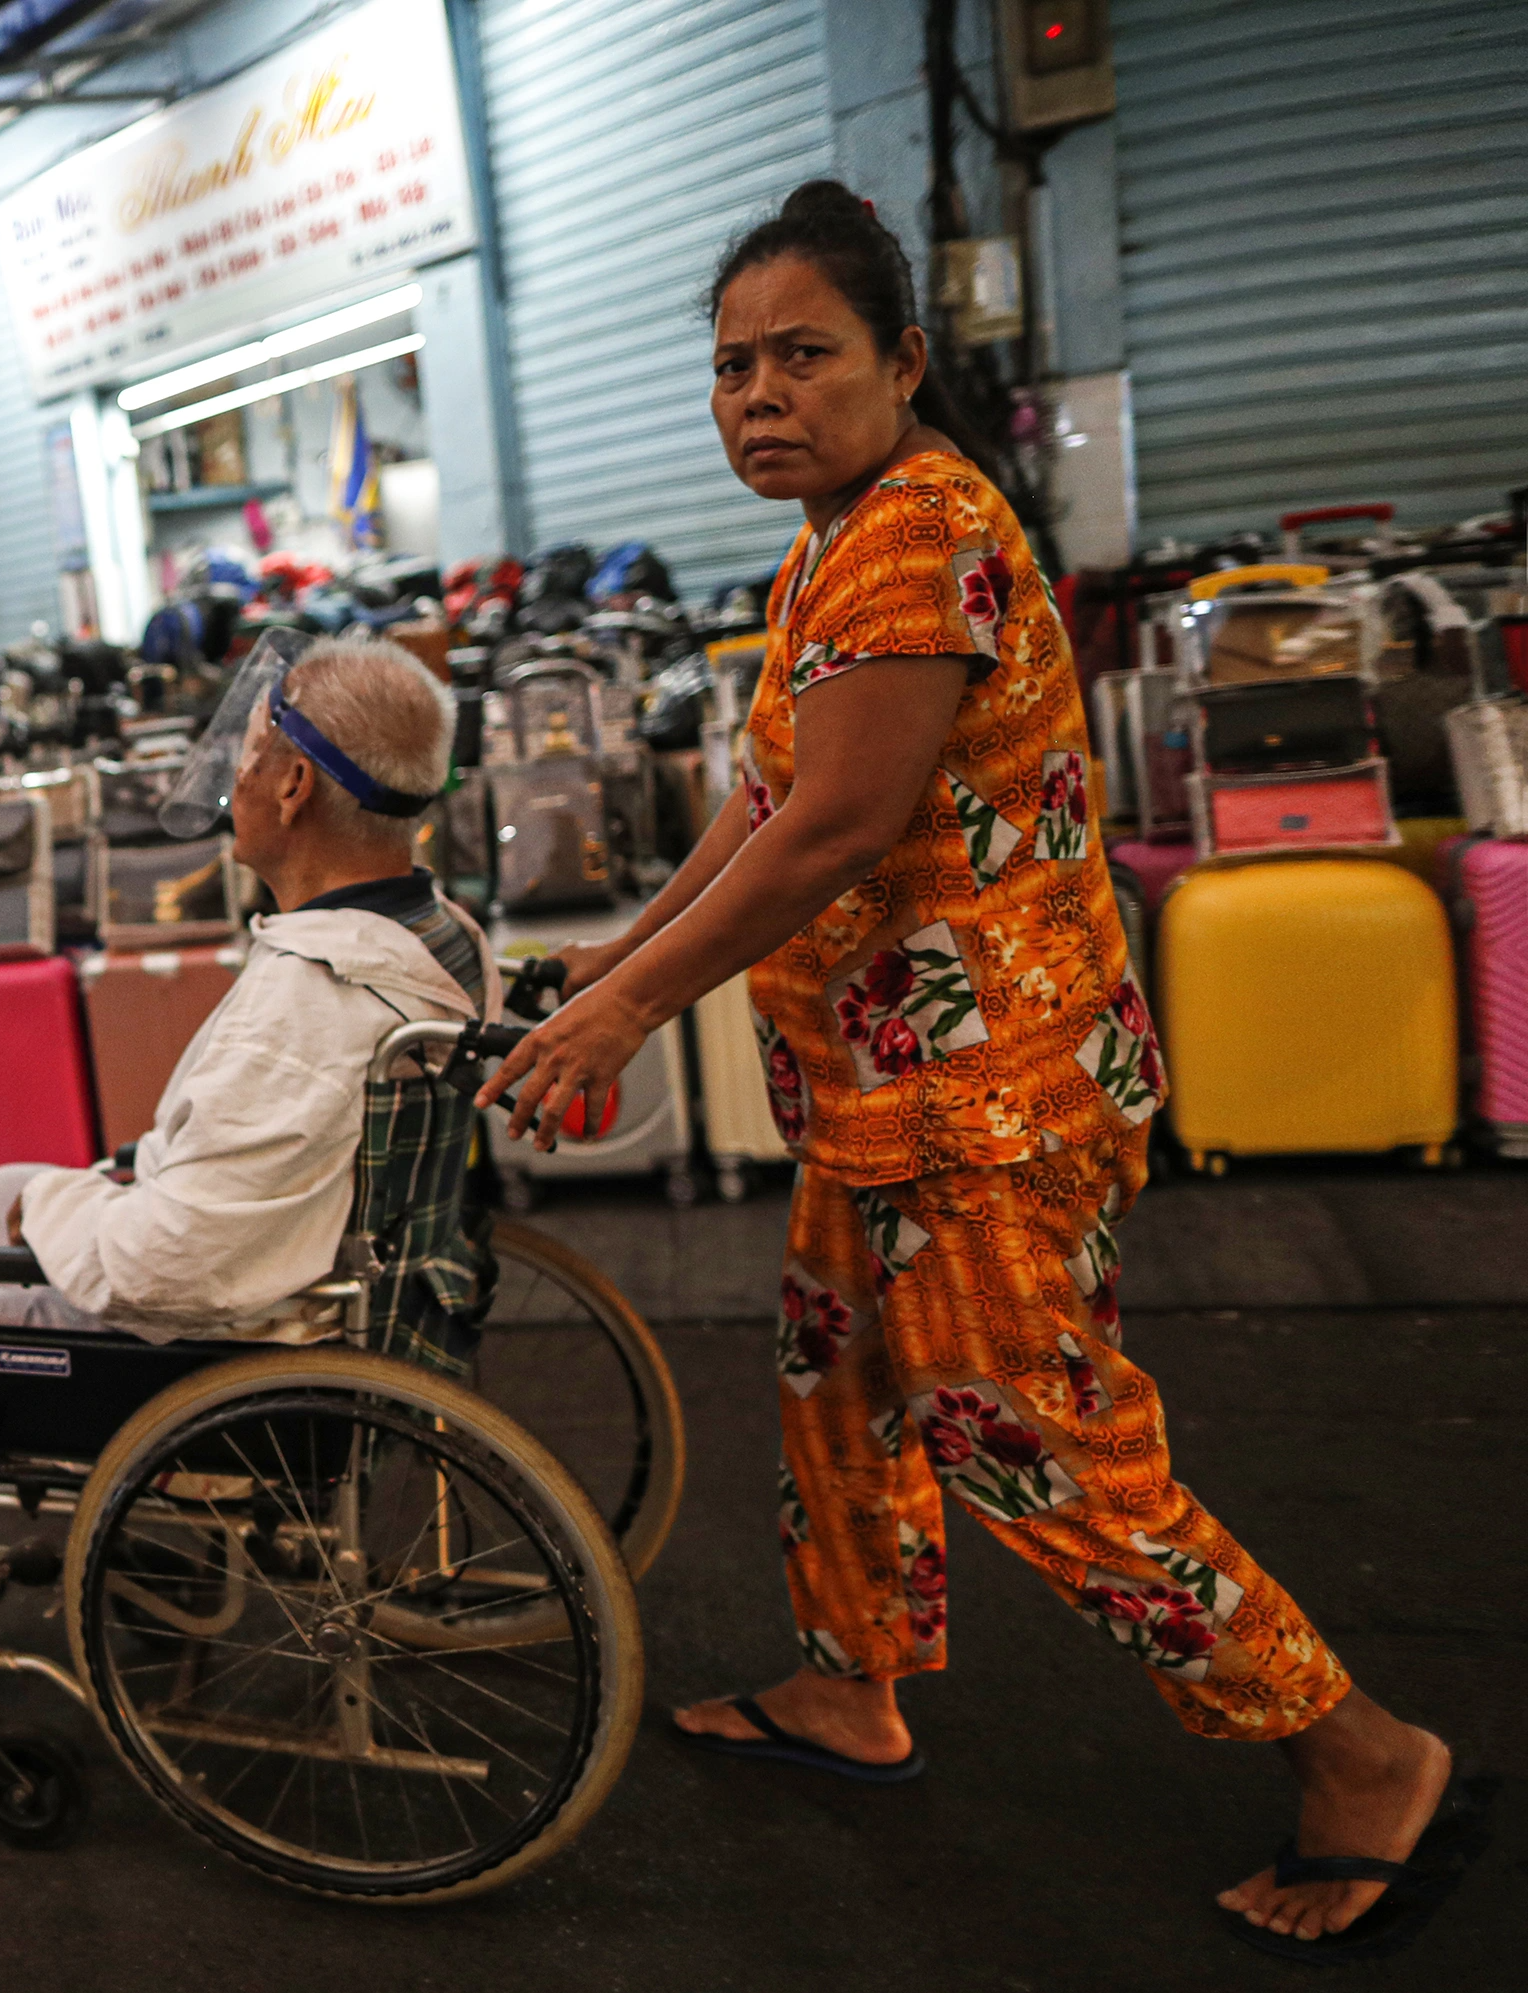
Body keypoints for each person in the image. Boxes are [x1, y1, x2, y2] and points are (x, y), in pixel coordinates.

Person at [474, 179, 1479, 1961]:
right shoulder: (831, 542)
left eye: (805, 355)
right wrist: (618, 951)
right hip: (884, 1094)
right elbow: (769, 800)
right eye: (731, 367)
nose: (760, 395)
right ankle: (851, 1683)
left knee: (1039, 1442)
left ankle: (1359, 1747)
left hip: (990, 1099)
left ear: (905, 361)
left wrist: (632, 1013)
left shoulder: (918, 533)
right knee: (840, 1380)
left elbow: (846, 821)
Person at [0, 637, 483, 1707]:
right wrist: (78, 1192)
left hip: (227, 1356)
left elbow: (163, 1268)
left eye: (247, 756)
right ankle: (126, 1542)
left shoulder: (308, 1000)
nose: (230, 780)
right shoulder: (436, 929)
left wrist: (75, 1200)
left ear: (291, 786)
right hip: (335, 1284)